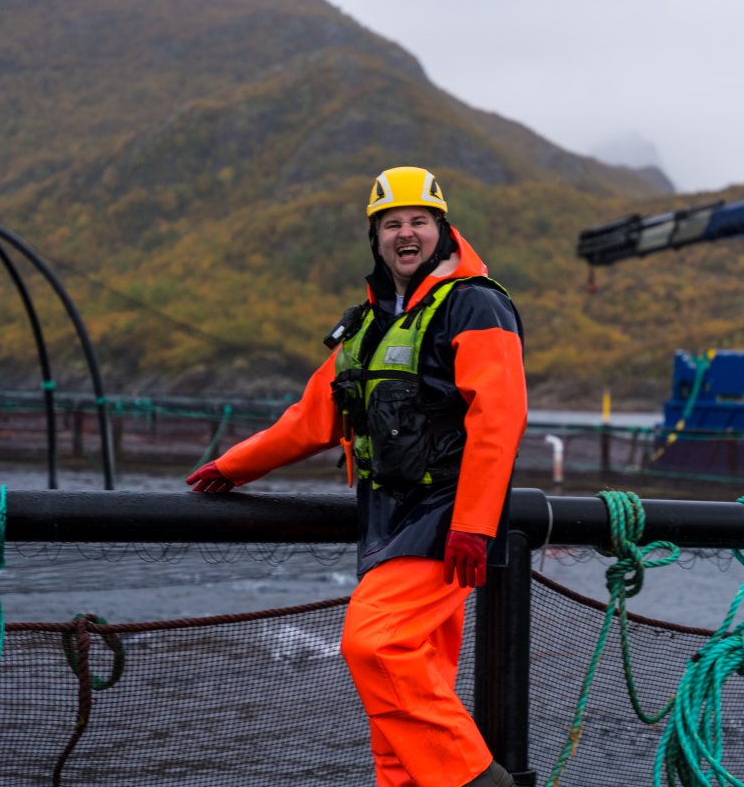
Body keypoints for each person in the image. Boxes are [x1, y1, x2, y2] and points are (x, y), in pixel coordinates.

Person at [186, 166, 525, 787]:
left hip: (444, 520)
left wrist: (474, 526)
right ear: (375, 238)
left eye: (418, 221)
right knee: (405, 703)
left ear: (442, 229)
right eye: (391, 224)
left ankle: (481, 783)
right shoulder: (366, 325)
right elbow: (310, 418)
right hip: (382, 519)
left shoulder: (476, 304)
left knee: (375, 646)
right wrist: (233, 466)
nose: (406, 234)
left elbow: (499, 417)